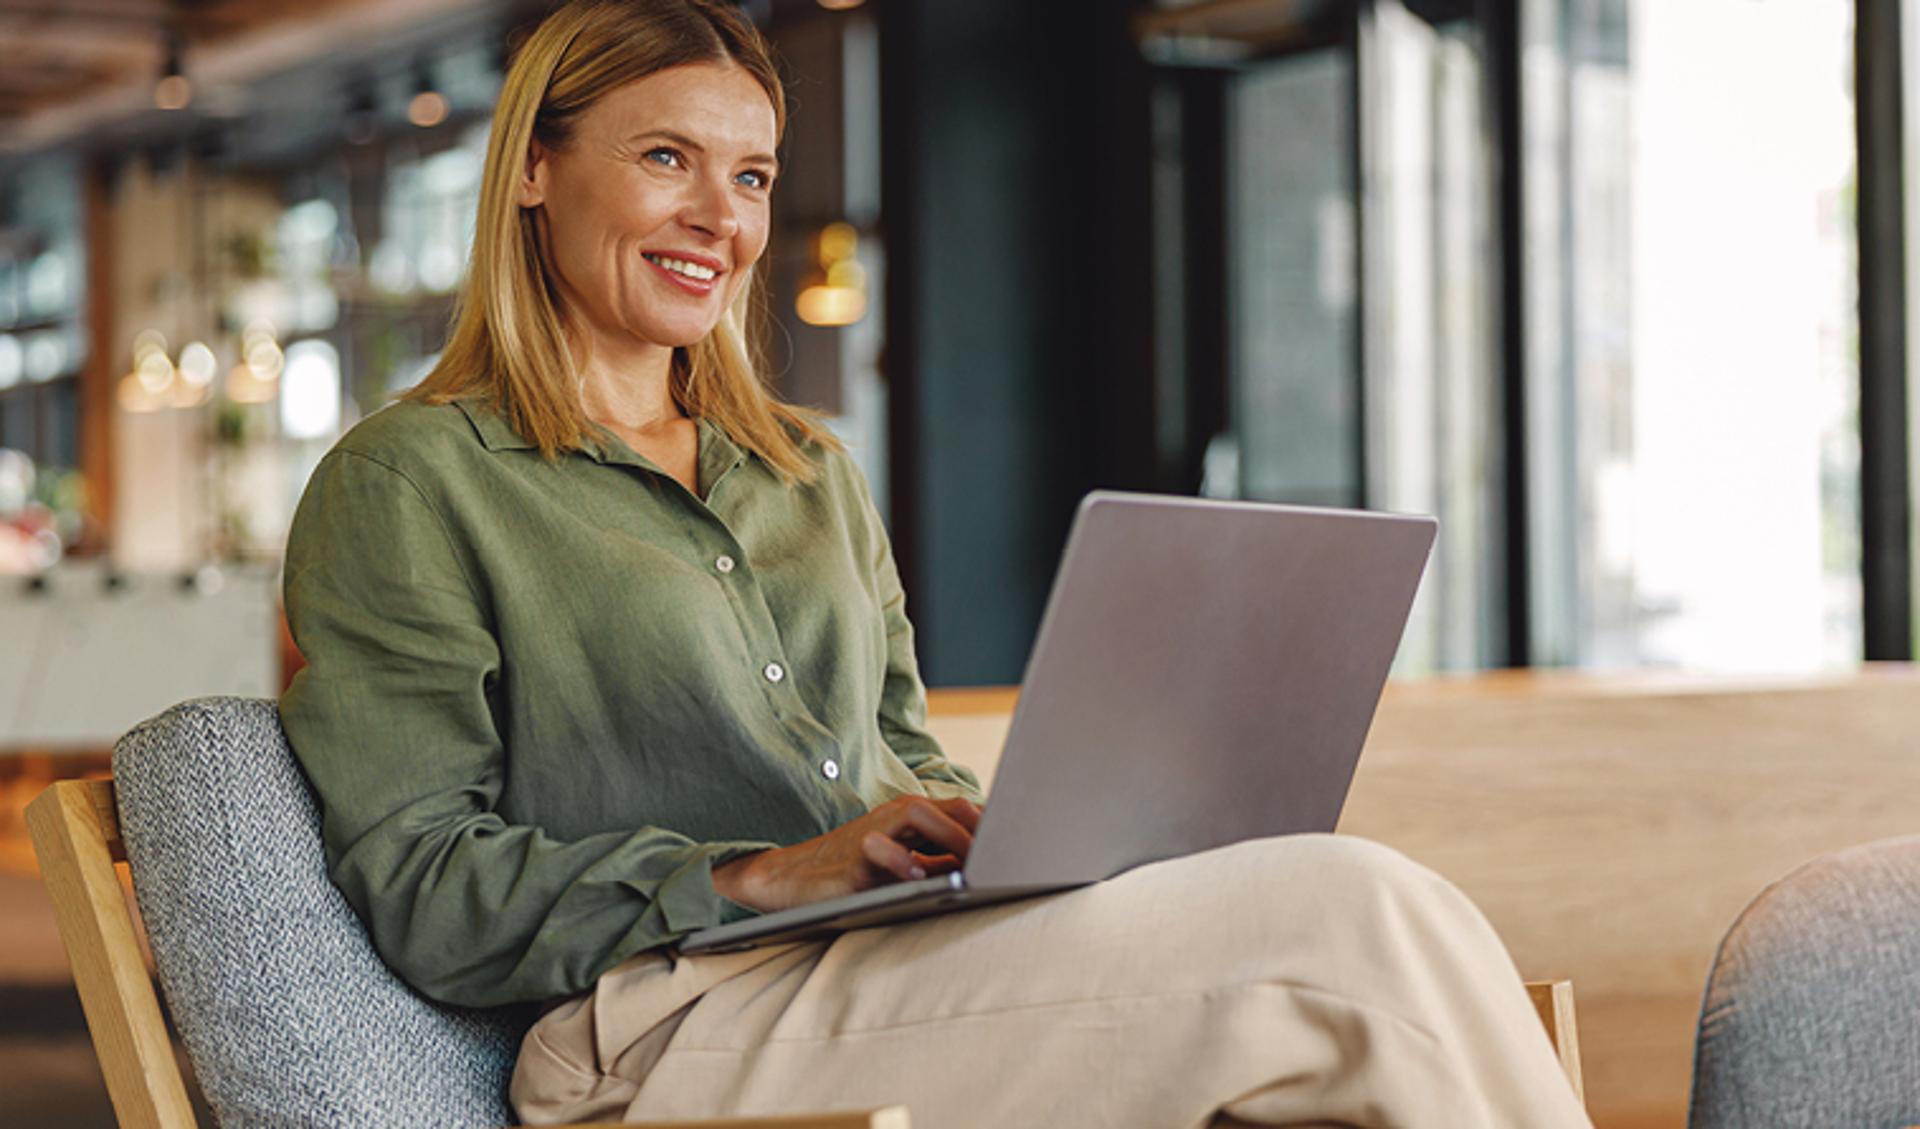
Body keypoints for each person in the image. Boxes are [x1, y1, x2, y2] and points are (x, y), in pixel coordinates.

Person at [278, 2, 1592, 1126]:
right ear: (535, 170)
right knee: (1344, 922)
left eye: (750, 175)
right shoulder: (411, 483)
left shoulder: (805, 467)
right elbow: (420, 880)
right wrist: (757, 873)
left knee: (1372, 912)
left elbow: (902, 752)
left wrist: (1008, 841)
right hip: (660, 1028)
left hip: (882, 965)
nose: (719, 218)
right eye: (667, 158)